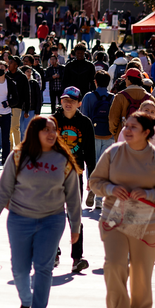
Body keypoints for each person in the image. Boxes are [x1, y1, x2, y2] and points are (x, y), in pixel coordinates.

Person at [0, 116, 82, 308]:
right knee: (19, 269)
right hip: (20, 219)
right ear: (34, 132)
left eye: (54, 130)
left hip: (52, 220)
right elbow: (4, 188)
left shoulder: (63, 159)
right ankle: (27, 301)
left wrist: (76, 226)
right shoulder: (19, 156)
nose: (51, 134)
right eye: (46, 130)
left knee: (43, 268)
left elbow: (73, 197)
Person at [88, 111, 155, 308]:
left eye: (133, 127)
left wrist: (150, 194)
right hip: (114, 217)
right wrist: (110, 189)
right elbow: (94, 182)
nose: (126, 130)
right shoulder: (113, 153)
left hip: (145, 219)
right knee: (114, 265)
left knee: (141, 271)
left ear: (147, 132)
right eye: (126, 126)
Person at [53, 87, 95, 273]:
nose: (67, 103)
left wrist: (91, 177)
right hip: (53, 174)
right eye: (64, 99)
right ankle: (52, 251)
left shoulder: (85, 123)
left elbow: (90, 153)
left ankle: (77, 257)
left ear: (79, 103)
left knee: (74, 215)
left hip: (74, 173)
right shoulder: (53, 120)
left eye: (71, 100)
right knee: (52, 214)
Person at [81, 71, 116, 200]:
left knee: (92, 164)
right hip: (108, 136)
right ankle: (100, 199)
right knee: (105, 166)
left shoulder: (88, 97)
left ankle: (91, 185)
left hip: (92, 136)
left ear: (95, 82)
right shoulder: (113, 97)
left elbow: (84, 117)